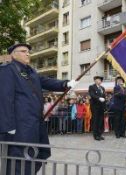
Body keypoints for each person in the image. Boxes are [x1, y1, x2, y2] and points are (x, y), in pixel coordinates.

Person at [0, 43, 78, 175]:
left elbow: (46, 81)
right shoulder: (7, 70)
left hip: (35, 125)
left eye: (28, 51)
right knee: (18, 160)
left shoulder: (31, 71)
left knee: (34, 155)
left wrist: (65, 83)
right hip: (19, 126)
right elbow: (4, 99)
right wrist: (7, 126)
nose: (28, 53)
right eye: (23, 51)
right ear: (13, 54)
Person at [88, 75, 106, 141]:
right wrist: (99, 98)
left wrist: (105, 107)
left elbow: (104, 97)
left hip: (101, 107)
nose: (100, 81)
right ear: (95, 80)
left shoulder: (102, 88)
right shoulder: (92, 87)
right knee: (96, 120)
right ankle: (95, 135)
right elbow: (92, 95)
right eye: (98, 79)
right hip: (95, 106)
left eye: (101, 80)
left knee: (100, 121)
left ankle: (100, 134)